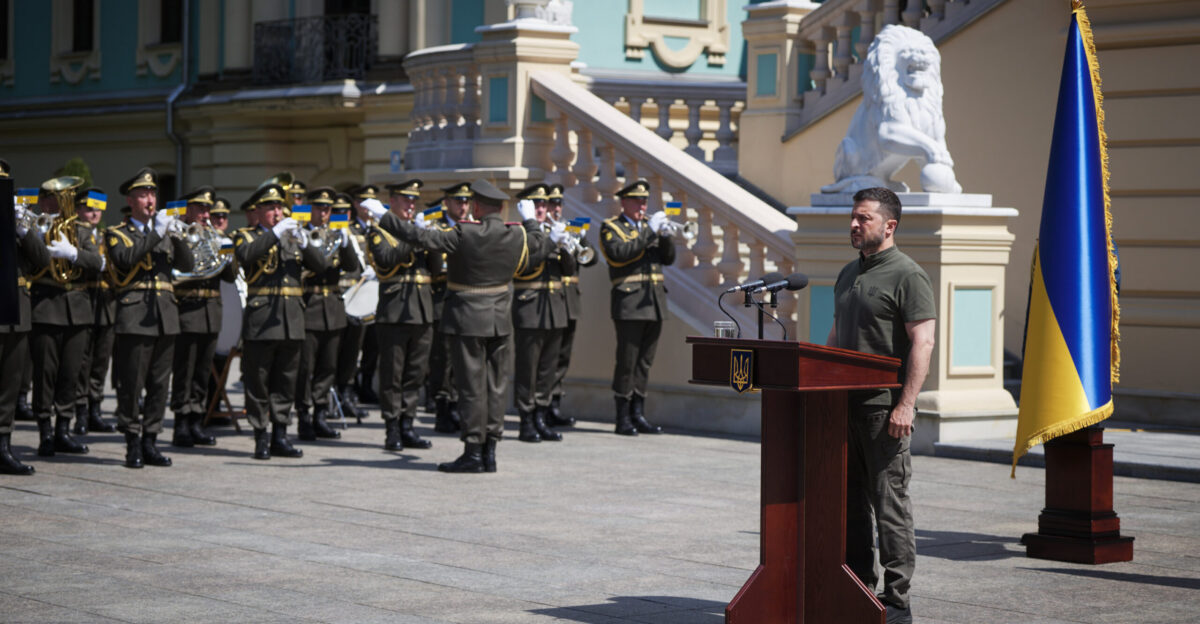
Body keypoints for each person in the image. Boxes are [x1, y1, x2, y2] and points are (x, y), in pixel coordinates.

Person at [363, 179, 554, 473]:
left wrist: (383, 215)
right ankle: (490, 451)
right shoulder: (516, 235)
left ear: (476, 206)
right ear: (502, 208)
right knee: (496, 386)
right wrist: (530, 222)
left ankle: (474, 452)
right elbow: (540, 248)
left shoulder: (465, 233)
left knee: (472, 388)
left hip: (467, 320)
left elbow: (419, 237)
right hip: (500, 320)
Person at [825, 187, 935, 624]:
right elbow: (835, 338)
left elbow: (922, 342)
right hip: (843, 411)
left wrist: (906, 404)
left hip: (883, 412)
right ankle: (857, 588)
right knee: (849, 506)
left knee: (890, 506)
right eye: (853, 217)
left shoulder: (908, 275)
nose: (854, 224)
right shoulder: (848, 273)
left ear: (889, 226)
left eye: (863, 218)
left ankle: (896, 602)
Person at [106, 167, 195, 468]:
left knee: (159, 384)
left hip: (166, 315)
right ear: (130, 201)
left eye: (153, 193)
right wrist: (156, 233)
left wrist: (176, 234)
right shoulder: (117, 233)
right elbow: (125, 260)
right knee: (132, 383)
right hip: (135, 314)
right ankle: (132, 441)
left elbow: (188, 264)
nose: (150, 199)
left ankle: (151, 440)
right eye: (143, 194)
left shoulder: (164, 232)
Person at [233, 183, 327, 460]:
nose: (277, 212)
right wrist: (274, 233)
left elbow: (321, 266)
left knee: (286, 382)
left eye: (279, 207)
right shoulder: (245, 236)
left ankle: (280, 436)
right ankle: (261, 436)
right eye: (271, 208)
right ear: (258, 211)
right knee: (258, 382)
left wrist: (305, 242)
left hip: (292, 320)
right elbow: (246, 257)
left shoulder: (294, 238)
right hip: (261, 321)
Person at [29, 180, 105, 460]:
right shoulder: (34, 228)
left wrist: (72, 254)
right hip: (47, 307)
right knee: (45, 374)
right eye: (49, 199)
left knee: (71, 373)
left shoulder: (79, 231)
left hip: (77, 309)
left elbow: (98, 263)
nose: (55, 204)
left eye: (59, 198)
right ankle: (45, 432)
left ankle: (64, 429)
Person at [367, 179, 437, 451]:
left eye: (413, 200)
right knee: (392, 375)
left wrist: (428, 240)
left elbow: (436, 267)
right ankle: (392, 428)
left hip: (421, 310)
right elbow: (387, 259)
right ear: (392, 201)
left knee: (415, 374)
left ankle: (408, 424)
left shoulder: (417, 230)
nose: (411, 205)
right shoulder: (379, 232)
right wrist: (414, 236)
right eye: (406, 200)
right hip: (395, 312)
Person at [599, 179, 673, 436]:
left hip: (654, 302)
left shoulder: (647, 228)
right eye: (637, 201)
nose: (642, 205)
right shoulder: (611, 228)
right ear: (624, 202)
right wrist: (650, 232)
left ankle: (638, 413)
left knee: (644, 362)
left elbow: (668, 259)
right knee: (627, 362)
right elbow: (620, 254)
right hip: (629, 303)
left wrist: (664, 236)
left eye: (644, 201)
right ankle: (622, 417)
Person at [169, 186, 236, 448]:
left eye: (208, 209)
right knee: (184, 370)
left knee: (202, 372)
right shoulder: (178, 235)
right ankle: (181, 423)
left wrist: (227, 252)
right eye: (201, 209)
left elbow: (229, 277)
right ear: (188, 210)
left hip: (211, 311)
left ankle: (197, 420)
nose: (206, 214)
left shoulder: (214, 237)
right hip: (187, 309)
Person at [295, 187, 359, 441]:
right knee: (305, 367)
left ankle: (320, 414)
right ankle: (303, 415)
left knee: (328, 366)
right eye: (319, 208)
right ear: (310, 209)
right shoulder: (299, 235)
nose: (324, 213)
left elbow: (352, 266)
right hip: (309, 305)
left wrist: (346, 242)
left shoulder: (335, 234)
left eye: (328, 209)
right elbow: (312, 265)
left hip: (332, 307)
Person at [510, 183, 571, 442]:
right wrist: (550, 243)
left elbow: (569, 270)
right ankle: (526, 419)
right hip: (530, 305)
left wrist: (566, 246)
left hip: (555, 306)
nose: (542, 208)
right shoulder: (517, 234)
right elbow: (522, 266)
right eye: (537, 204)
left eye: (544, 204)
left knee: (548, 368)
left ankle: (541, 416)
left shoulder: (553, 231)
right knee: (528, 368)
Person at [1, 175, 51, 475]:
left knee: (9, 384)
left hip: (17, 308)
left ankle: (3, 446)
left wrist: (23, 230)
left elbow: (43, 259)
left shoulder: (20, 223)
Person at [546, 183, 595, 427]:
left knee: (563, 356)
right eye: (552, 204)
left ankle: (554, 404)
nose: (556, 208)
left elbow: (590, 260)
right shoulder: (543, 230)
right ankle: (541, 406)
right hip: (549, 300)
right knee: (547, 357)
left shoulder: (571, 227)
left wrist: (579, 239)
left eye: (559, 204)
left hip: (570, 301)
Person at [428, 183, 473, 434]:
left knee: (462, 360)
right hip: (441, 299)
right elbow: (435, 268)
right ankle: (442, 409)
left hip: (465, 301)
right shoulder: (437, 228)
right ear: (447, 202)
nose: (463, 206)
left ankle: (457, 405)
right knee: (442, 359)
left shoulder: (472, 227)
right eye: (458, 201)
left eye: (466, 201)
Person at [73, 187, 118, 435]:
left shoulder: (105, 236)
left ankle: (95, 411)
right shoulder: (76, 233)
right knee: (83, 362)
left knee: (100, 362)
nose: (94, 214)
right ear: (79, 210)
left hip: (107, 304)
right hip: (86, 300)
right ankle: (80, 412)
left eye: (98, 209)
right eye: (89, 209)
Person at [334, 184, 377, 420]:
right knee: (345, 349)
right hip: (348, 296)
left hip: (370, 297)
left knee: (368, 347)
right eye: (362, 202)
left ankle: (359, 387)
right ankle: (342, 394)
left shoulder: (377, 229)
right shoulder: (347, 231)